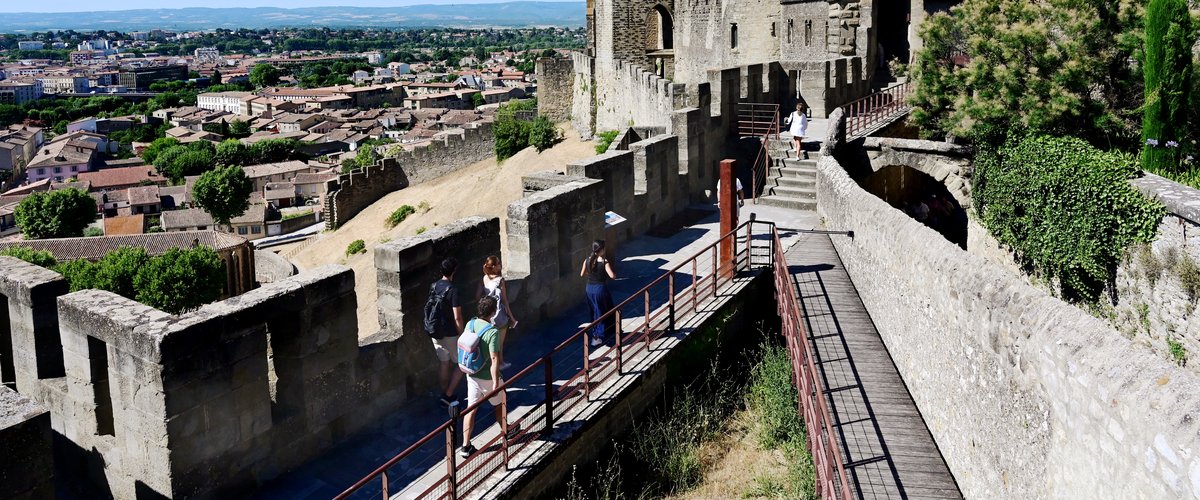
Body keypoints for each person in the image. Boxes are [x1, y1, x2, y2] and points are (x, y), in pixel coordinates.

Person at [459, 296, 518, 458]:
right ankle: (507, 429)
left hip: (471, 375)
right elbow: (494, 359)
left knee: (471, 409)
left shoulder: (470, 324)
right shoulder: (492, 332)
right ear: (492, 313)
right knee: (500, 403)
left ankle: (465, 445)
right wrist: (495, 383)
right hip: (487, 377)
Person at [428, 258, 466, 407]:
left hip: (435, 332)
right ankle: (448, 394)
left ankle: (444, 393)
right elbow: (457, 316)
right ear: (454, 271)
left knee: (444, 363)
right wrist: (462, 334)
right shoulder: (453, 290)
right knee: (462, 364)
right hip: (450, 333)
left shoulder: (433, 286)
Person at [477, 255, 517, 370]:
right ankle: (500, 363)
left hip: (487, 315)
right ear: (494, 267)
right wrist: (512, 318)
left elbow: (477, 296)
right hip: (499, 315)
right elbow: (505, 301)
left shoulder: (483, 279)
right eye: (499, 263)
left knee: (491, 342)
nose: (500, 265)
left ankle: (491, 363)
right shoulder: (500, 280)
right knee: (499, 343)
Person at [579, 239, 616, 347]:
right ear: (602, 249)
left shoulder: (586, 260)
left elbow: (582, 274)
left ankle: (599, 333)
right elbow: (612, 276)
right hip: (600, 289)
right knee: (604, 311)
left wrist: (592, 275)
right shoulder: (604, 262)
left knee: (594, 311)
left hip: (589, 288)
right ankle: (598, 336)